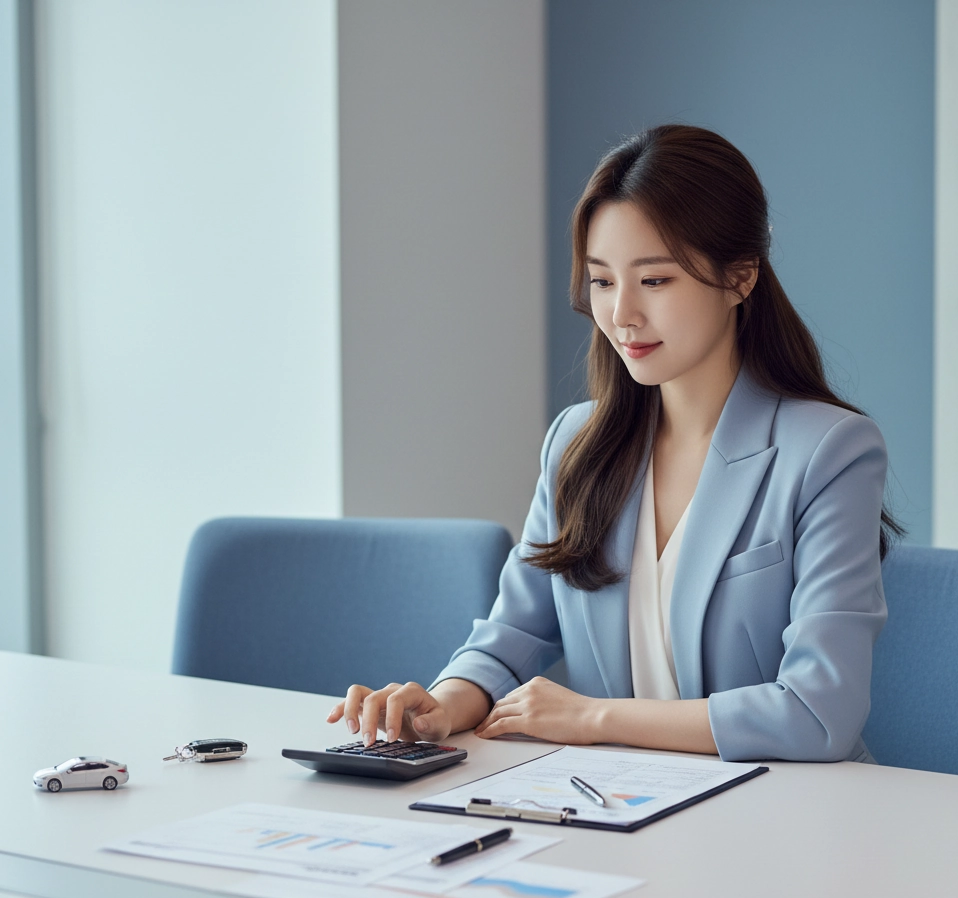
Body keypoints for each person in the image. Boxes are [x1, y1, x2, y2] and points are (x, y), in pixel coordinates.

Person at [327, 124, 899, 762]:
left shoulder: (830, 451)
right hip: (616, 806)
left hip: (781, 816)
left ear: (741, 278)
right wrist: (444, 703)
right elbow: (515, 630)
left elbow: (819, 714)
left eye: (654, 281)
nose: (622, 313)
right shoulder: (577, 440)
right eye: (602, 281)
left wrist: (594, 717)